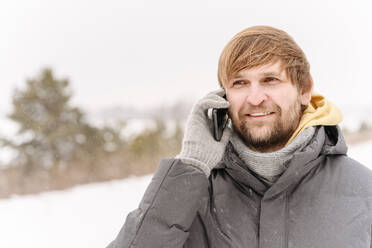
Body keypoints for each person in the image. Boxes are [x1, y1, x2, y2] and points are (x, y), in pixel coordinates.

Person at [107, 26, 372, 248]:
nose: (255, 98)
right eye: (239, 83)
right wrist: (191, 165)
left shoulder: (364, 193)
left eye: (270, 80)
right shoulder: (192, 195)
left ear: (304, 90)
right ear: (223, 97)